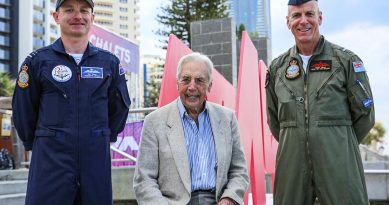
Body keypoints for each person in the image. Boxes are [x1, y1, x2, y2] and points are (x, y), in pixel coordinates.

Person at [12, 0, 131, 204]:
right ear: (56, 17)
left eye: (84, 10)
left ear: (92, 18)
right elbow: (23, 111)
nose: (78, 16)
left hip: (95, 164)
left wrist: (99, 137)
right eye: (69, 10)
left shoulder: (109, 63)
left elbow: (119, 108)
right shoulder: (37, 62)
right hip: (50, 164)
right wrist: (39, 143)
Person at [266, 0, 375, 204]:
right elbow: (274, 122)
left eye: (309, 14)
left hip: (339, 164)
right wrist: (299, 140)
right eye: (296, 15)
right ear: (288, 21)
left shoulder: (345, 62)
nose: (303, 21)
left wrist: (336, 142)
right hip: (292, 167)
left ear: (320, 17)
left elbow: (365, 116)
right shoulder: (277, 69)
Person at [133, 52, 249, 205]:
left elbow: (239, 171)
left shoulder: (227, 119)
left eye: (199, 80)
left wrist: (229, 199)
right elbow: (144, 181)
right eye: (186, 80)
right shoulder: (154, 122)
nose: (192, 87)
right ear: (177, 83)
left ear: (210, 85)